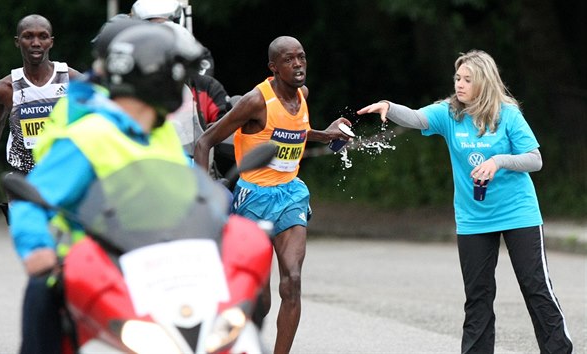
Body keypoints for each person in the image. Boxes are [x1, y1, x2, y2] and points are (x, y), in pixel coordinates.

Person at [357, 49, 573, 354]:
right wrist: (389, 107)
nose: (460, 84)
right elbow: (417, 118)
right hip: (473, 218)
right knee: (477, 296)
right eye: (458, 77)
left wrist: (499, 161)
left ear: (484, 83)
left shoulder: (508, 115)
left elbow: (535, 160)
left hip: (518, 213)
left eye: (468, 79)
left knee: (536, 289)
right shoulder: (449, 113)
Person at [8, 22, 204, 353]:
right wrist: (37, 249)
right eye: (176, 74)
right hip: (93, 275)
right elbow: (36, 197)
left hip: (159, 272)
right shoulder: (89, 132)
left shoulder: (163, 133)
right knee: (42, 294)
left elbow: (192, 191)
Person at [194, 35, 352, 354]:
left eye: (301, 58)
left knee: (292, 281)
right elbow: (204, 142)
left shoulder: (303, 95)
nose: (297, 65)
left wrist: (327, 135)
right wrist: (201, 196)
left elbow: (296, 131)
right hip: (253, 198)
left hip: (290, 195)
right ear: (274, 67)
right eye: (289, 60)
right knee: (261, 301)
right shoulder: (255, 101)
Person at [0, 14, 81, 203]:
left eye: (42, 36)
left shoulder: (72, 80)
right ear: (17, 41)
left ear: (51, 42)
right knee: (27, 231)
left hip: (63, 171)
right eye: (28, 36)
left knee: (61, 231)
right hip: (23, 175)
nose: (36, 42)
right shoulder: (4, 88)